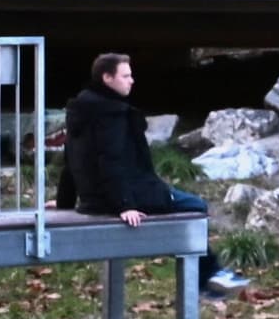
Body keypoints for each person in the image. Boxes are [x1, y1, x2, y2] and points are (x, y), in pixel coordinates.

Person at [60, 52, 249, 293]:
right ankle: (209, 279)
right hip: (127, 195)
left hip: (93, 200)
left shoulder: (81, 110)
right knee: (197, 206)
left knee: (188, 207)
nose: (132, 81)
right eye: (126, 76)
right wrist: (125, 205)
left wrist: (65, 202)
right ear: (107, 78)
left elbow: (71, 159)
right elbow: (111, 161)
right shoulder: (113, 114)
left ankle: (209, 276)